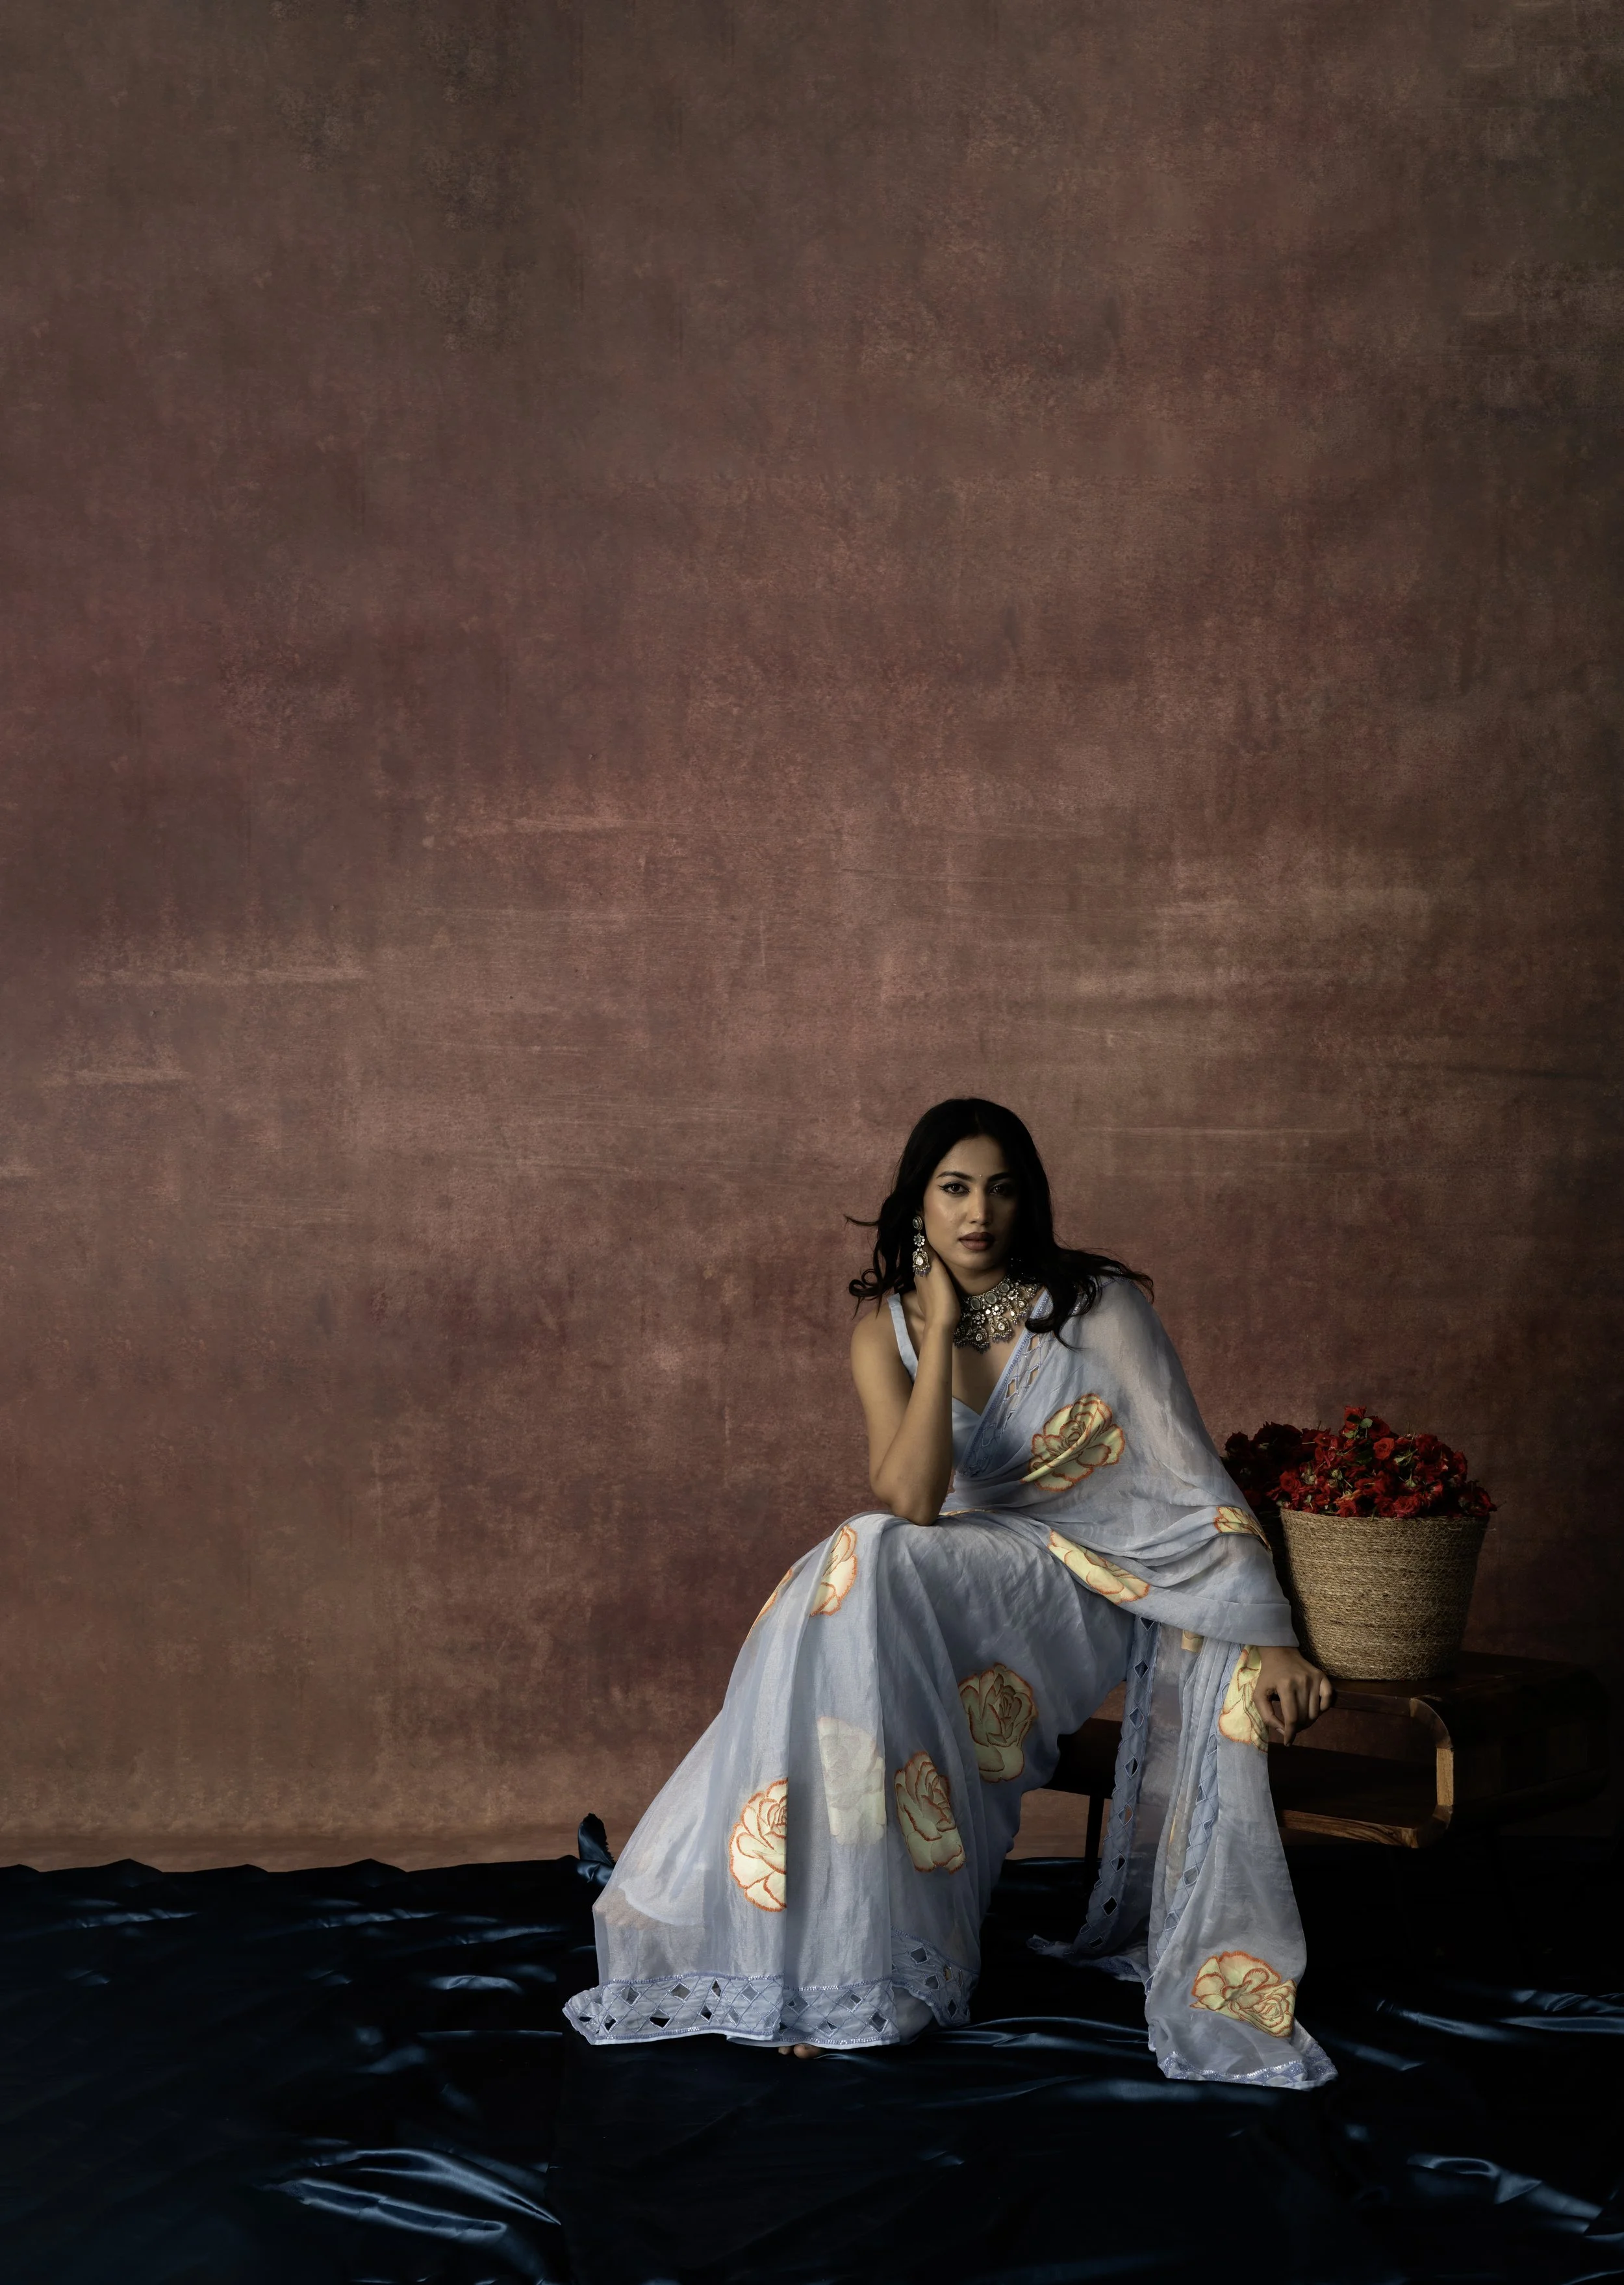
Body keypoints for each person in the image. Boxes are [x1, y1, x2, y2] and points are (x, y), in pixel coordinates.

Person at [565, 1099, 1336, 2086]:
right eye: (956, 1187)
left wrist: (1267, 1630)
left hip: (1078, 1576)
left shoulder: (1097, 1304)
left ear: (1032, 1200)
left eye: (1003, 1188)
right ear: (918, 1199)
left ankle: (872, 1968)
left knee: (863, 1563)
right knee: (852, 1590)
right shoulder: (882, 1327)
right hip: (952, 1566)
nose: (980, 1213)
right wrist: (933, 1332)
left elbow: (1186, 1478)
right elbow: (918, 1495)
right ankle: (837, 1972)